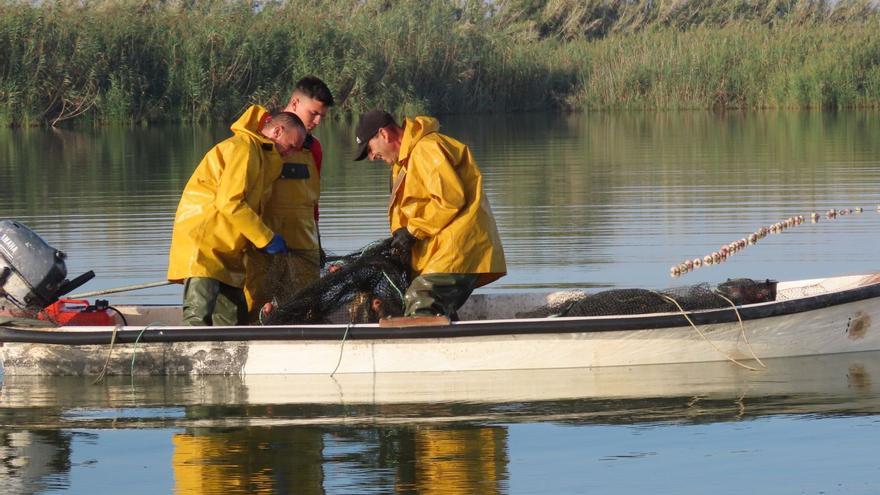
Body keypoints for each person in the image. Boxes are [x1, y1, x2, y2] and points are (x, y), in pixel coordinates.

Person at [353, 110, 507, 320]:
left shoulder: (426, 148)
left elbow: (450, 200)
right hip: (440, 253)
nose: (371, 157)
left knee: (421, 297)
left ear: (384, 134)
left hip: (458, 250)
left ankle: (422, 348)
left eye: (369, 149)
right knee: (432, 307)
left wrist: (412, 231)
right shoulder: (404, 162)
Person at [167, 109, 307, 326]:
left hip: (229, 253)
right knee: (198, 318)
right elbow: (230, 203)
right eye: (291, 146)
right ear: (278, 131)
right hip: (203, 249)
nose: (291, 154)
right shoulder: (243, 148)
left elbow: (250, 208)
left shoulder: (263, 156)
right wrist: (266, 238)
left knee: (235, 321)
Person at [241, 76, 335, 321]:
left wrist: (318, 242)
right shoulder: (259, 139)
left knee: (306, 310)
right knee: (252, 309)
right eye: (313, 113)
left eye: (322, 117)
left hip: (304, 246)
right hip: (263, 244)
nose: (317, 121)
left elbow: (312, 202)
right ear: (294, 103)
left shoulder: (314, 149)